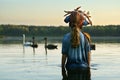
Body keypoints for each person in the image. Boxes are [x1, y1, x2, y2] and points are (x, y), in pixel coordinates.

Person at [61, 11, 91, 80]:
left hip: (70, 68)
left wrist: (63, 69)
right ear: (81, 24)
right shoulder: (85, 37)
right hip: (84, 68)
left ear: (70, 24)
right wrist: (88, 67)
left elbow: (64, 55)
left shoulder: (66, 37)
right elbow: (88, 54)